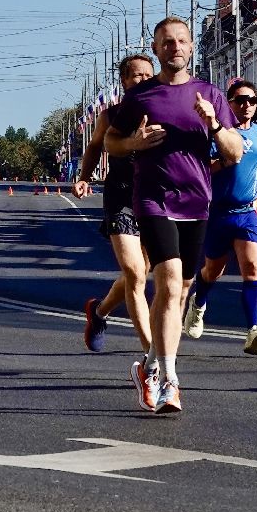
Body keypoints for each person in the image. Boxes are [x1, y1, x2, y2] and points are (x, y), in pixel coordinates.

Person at [105, 18, 241, 414]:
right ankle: (169, 379)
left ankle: (148, 367)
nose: (174, 47)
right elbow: (111, 141)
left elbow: (232, 153)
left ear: (191, 47)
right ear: (156, 47)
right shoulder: (142, 97)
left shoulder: (210, 95)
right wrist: (134, 141)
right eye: (167, 42)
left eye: (181, 41)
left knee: (181, 290)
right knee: (166, 282)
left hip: (197, 202)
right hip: (154, 199)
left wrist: (213, 123)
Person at [184, 79, 257, 355]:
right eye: (240, 100)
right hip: (218, 213)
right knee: (213, 270)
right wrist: (226, 160)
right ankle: (198, 304)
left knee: (252, 269)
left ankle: (254, 330)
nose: (247, 105)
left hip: (248, 212)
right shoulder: (219, 133)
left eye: (251, 100)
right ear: (229, 104)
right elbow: (202, 168)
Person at [77, 53, 156, 360]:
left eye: (149, 74)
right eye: (138, 75)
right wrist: (84, 178)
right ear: (124, 81)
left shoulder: (165, 111)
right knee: (136, 273)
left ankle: (99, 311)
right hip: (122, 197)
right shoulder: (111, 115)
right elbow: (96, 146)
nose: (145, 80)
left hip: (156, 200)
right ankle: (153, 356)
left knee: (145, 269)